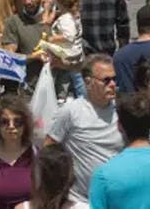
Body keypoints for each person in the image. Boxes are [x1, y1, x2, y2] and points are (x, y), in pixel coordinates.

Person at [45, 54, 124, 205]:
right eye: (106, 80)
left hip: (116, 200)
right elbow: (49, 151)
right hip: (81, 201)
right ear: (88, 82)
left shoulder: (122, 110)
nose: (113, 84)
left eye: (114, 79)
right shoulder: (71, 111)